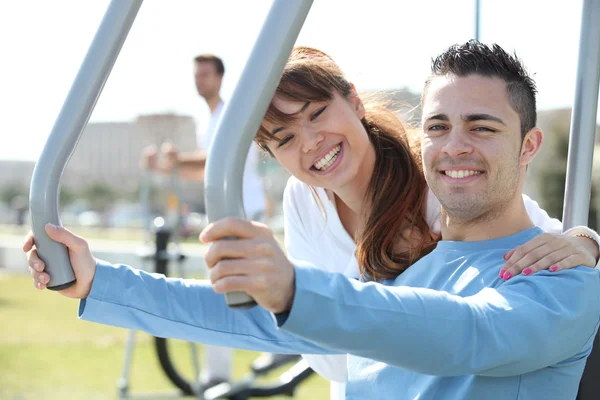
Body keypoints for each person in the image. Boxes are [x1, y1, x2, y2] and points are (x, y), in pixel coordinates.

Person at [25, 43, 600, 399]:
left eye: (482, 127)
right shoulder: (407, 272)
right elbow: (258, 321)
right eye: (438, 128)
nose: (454, 148)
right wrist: (100, 281)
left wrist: (585, 240)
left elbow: (467, 334)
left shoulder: (558, 278)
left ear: (529, 147)